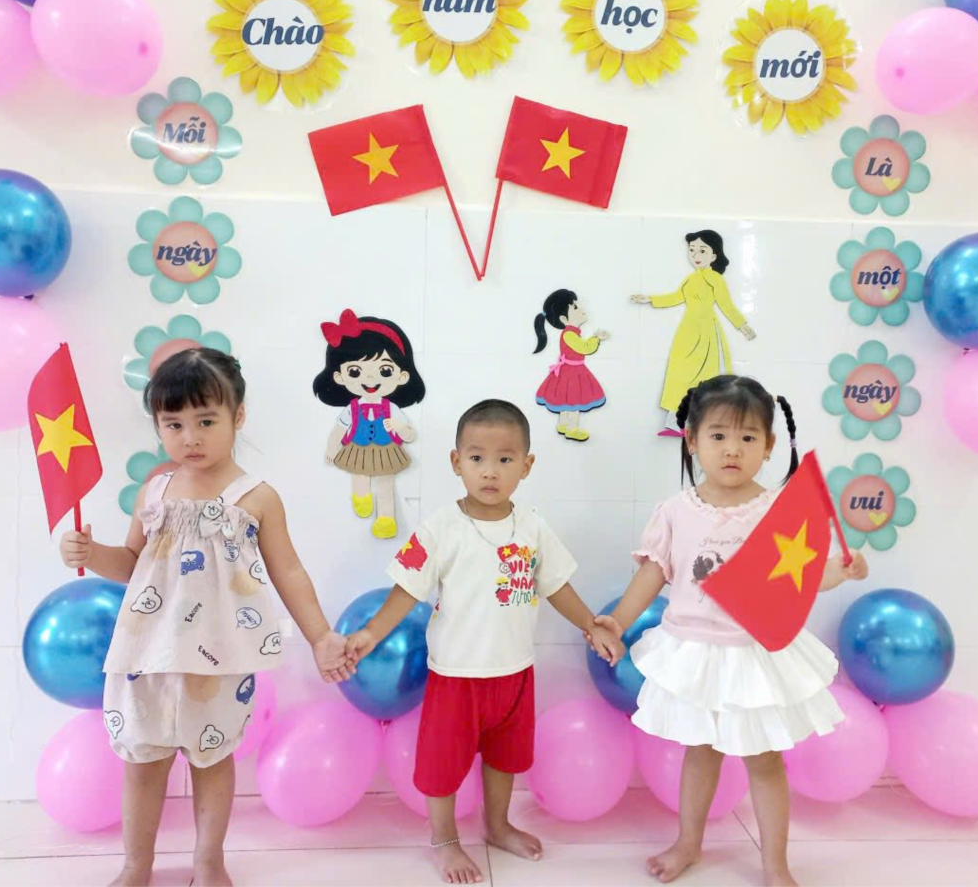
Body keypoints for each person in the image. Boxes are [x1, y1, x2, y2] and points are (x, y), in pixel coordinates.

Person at [60, 348, 351, 887]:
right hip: (147, 654)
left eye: (206, 421)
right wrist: (91, 553)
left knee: (212, 759)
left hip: (219, 658)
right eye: (173, 424)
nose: (189, 437)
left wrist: (319, 636)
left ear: (238, 416)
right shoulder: (154, 492)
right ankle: (136, 864)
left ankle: (209, 860)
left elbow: (289, 572)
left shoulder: (256, 498)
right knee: (143, 761)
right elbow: (131, 562)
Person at [592, 376, 868, 885]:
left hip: (754, 652)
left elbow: (803, 574)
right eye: (718, 436)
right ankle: (688, 844)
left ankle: (775, 863)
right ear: (692, 440)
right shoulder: (675, 512)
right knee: (702, 752)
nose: (732, 449)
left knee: (764, 760)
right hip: (696, 652)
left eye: (747, 437)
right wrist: (618, 620)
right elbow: (653, 573)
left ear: (768, 445)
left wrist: (840, 570)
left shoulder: (777, 509)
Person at [345, 399, 625, 885]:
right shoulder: (441, 528)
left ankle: (497, 825)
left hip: (514, 670)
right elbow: (406, 588)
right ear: (457, 463)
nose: (490, 471)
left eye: (504, 459)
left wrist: (590, 624)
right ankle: (444, 839)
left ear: (526, 466)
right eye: (477, 458)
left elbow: (555, 584)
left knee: (505, 756)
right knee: (442, 764)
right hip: (456, 675)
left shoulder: (532, 526)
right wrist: (371, 632)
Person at [313, 308, 425, 539]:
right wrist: (332, 448)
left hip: (387, 450)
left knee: (385, 484)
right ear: (339, 376)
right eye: (355, 371)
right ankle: (361, 496)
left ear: (402, 376)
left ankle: (386, 519)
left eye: (385, 370)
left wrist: (399, 427)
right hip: (357, 449)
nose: (371, 378)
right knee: (359, 475)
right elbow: (339, 430)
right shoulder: (352, 409)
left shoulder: (392, 409)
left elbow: (410, 434)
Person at [631, 230, 756, 437]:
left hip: (706, 332)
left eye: (702, 250)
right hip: (687, 331)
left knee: (704, 377)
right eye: (692, 250)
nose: (696, 255)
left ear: (714, 255)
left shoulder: (715, 279)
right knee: (678, 373)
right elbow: (677, 297)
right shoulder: (691, 278)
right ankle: (675, 423)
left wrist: (742, 325)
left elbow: (726, 304)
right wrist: (650, 299)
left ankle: (707, 423)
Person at [532, 288, 609, 442]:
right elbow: (584, 348)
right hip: (573, 372)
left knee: (566, 399)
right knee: (573, 398)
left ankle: (563, 424)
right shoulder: (569, 334)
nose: (581, 309)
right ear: (564, 318)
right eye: (575, 307)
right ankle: (572, 428)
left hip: (569, 370)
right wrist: (596, 338)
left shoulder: (571, 333)